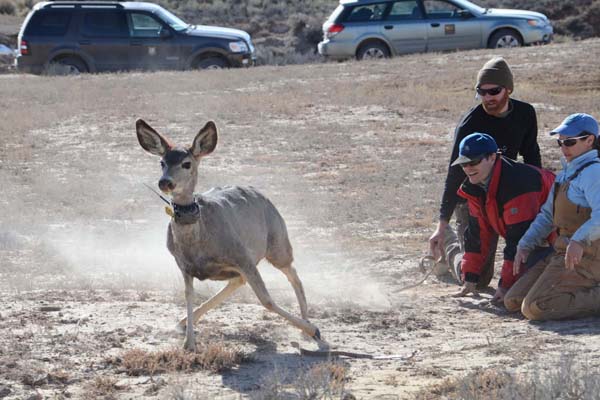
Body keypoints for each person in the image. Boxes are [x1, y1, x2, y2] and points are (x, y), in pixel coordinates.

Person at [429, 56, 542, 288]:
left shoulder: (525, 113)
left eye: (494, 91)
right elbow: (455, 174)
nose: (488, 98)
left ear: (508, 89)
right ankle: (449, 244)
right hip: (474, 198)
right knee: (476, 279)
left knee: (526, 268)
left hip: (508, 193)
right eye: (482, 92)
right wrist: (441, 225)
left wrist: (540, 200)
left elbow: (532, 157)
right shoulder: (469, 124)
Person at [505, 113, 600, 320]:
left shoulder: (594, 173)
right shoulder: (566, 172)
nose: (563, 147)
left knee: (535, 308)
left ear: (590, 141)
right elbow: (548, 215)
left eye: (570, 142)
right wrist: (526, 243)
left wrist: (578, 240)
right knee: (513, 301)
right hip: (562, 251)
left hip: (588, 255)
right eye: (560, 142)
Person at [449, 133, 555, 301]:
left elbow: (518, 239)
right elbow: (478, 233)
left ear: (492, 157)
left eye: (474, 162)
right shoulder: (474, 186)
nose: (468, 168)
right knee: (479, 279)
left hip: (558, 241)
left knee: (516, 298)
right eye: (463, 164)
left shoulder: (519, 184)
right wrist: (469, 278)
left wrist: (505, 285)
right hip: (528, 240)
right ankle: (449, 247)